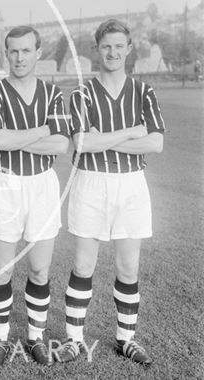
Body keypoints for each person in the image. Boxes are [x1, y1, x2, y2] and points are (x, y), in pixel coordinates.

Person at [55, 19, 164, 366]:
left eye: (119, 46)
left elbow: (157, 142)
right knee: (83, 264)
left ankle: (126, 340)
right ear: (97, 50)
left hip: (131, 184)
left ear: (129, 49)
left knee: (128, 267)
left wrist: (107, 138)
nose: (113, 52)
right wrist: (132, 132)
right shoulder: (83, 94)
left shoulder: (144, 92)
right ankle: (74, 340)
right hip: (91, 182)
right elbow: (83, 143)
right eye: (106, 46)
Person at [0, 26, 69, 367]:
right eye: (13, 51)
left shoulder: (54, 94)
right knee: (1, 272)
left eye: (26, 51)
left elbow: (62, 144)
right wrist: (46, 129)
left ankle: (35, 337)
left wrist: (22, 137)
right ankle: (0, 340)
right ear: (7, 54)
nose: (19, 57)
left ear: (38, 52)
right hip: (5, 183)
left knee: (40, 271)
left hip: (42, 185)